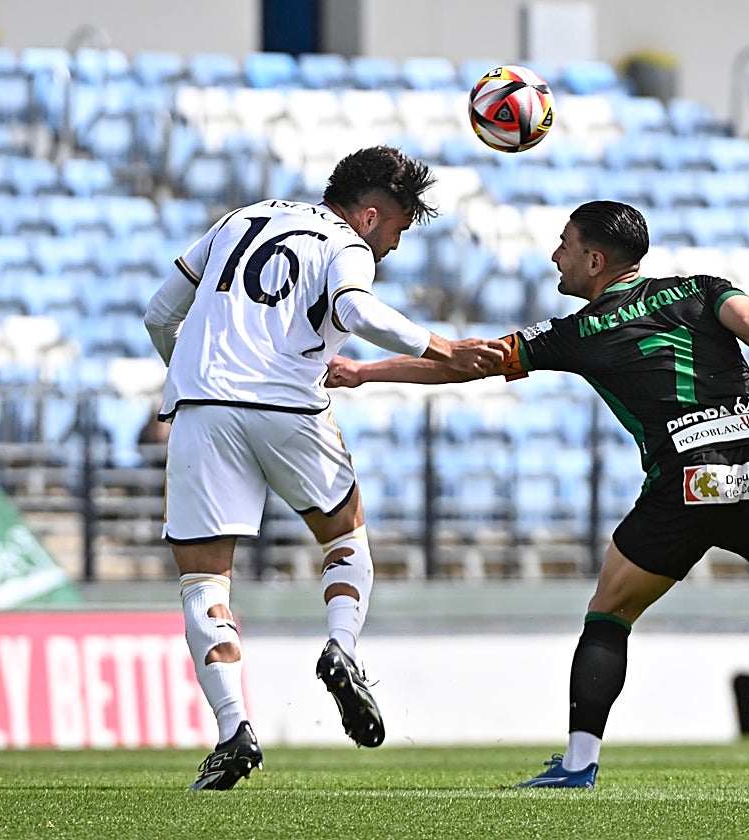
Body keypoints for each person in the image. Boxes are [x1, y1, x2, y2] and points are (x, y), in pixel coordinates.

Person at [325, 200, 749, 789]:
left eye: (565, 245)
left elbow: (467, 362)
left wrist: (362, 370)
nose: (556, 256)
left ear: (595, 260)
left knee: (610, 612)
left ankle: (578, 764)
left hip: (689, 475)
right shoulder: (702, 289)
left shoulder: (578, 332)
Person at [143, 145, 506, 791]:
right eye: (395, 229)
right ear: (369, 215)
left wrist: (191, 378)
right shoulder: (347, 244)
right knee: (345, 539)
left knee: (204, 584)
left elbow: (158, 312)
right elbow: (357, 312)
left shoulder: (239, 219)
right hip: (289, 404)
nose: (392, 247)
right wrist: (443, 344)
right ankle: (342, 647)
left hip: (201, 408)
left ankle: (233, 732)